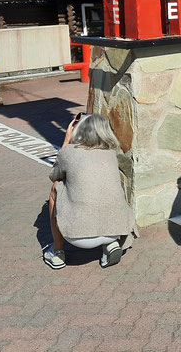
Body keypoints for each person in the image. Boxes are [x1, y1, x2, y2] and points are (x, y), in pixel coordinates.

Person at [43, 113, 135, 270]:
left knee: (56, 188)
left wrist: (66, 142)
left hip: (78, 237)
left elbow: (54, 176)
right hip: (116, 229)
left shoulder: (70, 152)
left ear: (78, 130)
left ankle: (58, 251)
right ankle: (110, 244)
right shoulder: (111, 154)